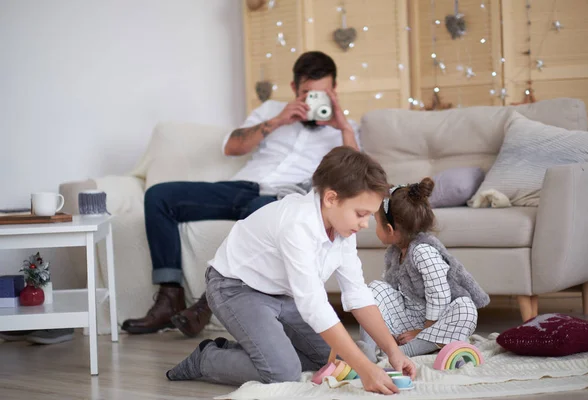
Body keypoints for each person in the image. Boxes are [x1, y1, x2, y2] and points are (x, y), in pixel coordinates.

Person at [121, 51, 361, 337]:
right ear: (294, 88)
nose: (314, 101)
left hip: (283, 197)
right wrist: (278, 120)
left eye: (322, 94)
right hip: (241, 186)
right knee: (159, 196)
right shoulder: (272, 110)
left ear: (333, 91)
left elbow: (353, 180)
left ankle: (206, 304)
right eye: (307, 93)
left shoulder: (346, 129)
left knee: (260, 211)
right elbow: (232, 147)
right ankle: (169, 296)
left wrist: (343, 126)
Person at [166, 147, 417, 395]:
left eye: (369, 216)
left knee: (336, 358)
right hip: (235, 287)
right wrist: (364, 370)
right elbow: (314, 307)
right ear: (331, 198)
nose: (364, 224)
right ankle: (207, 358)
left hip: (283, 294)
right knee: (283, 373)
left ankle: (261, 352)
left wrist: (394, 352)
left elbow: (357, 295)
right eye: (361, 214)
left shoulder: (343, 229)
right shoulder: (297, 224)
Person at [356, 178, 490, 360]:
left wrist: (423, 330)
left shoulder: (423, 251)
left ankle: (408, 350)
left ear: (389, 229)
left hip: (436, 321)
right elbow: (392, 288)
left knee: (466, 309)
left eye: (376, 222)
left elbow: (439, 294)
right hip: (409, 316)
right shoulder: (394, 252)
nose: (373, 227)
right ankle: (368, 351)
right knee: (371, 292)